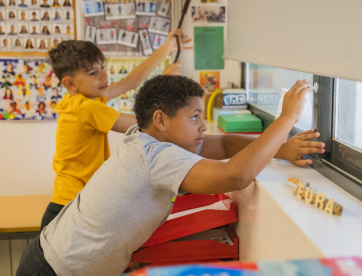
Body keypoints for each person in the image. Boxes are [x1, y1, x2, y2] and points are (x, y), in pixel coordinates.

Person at [16, 75, 323, 275]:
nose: (203, 126)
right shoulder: (156, 156)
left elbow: (226, 143)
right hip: (54, 268)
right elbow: (235, 175)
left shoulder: (144, 137)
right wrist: (287, 117)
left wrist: (280, 149)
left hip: (54, 255)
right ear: (160, 120)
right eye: (194, 117)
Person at [32, 29, 189, 233]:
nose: (104, 76)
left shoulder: (78, 100)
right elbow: (146, 126)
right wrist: (164, 83)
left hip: (70, 202)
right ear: (70, 84)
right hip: (69, 207)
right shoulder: (86, 108)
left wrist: (166, 48)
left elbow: (131, 81)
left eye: (102, 67)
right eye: (93, 73)